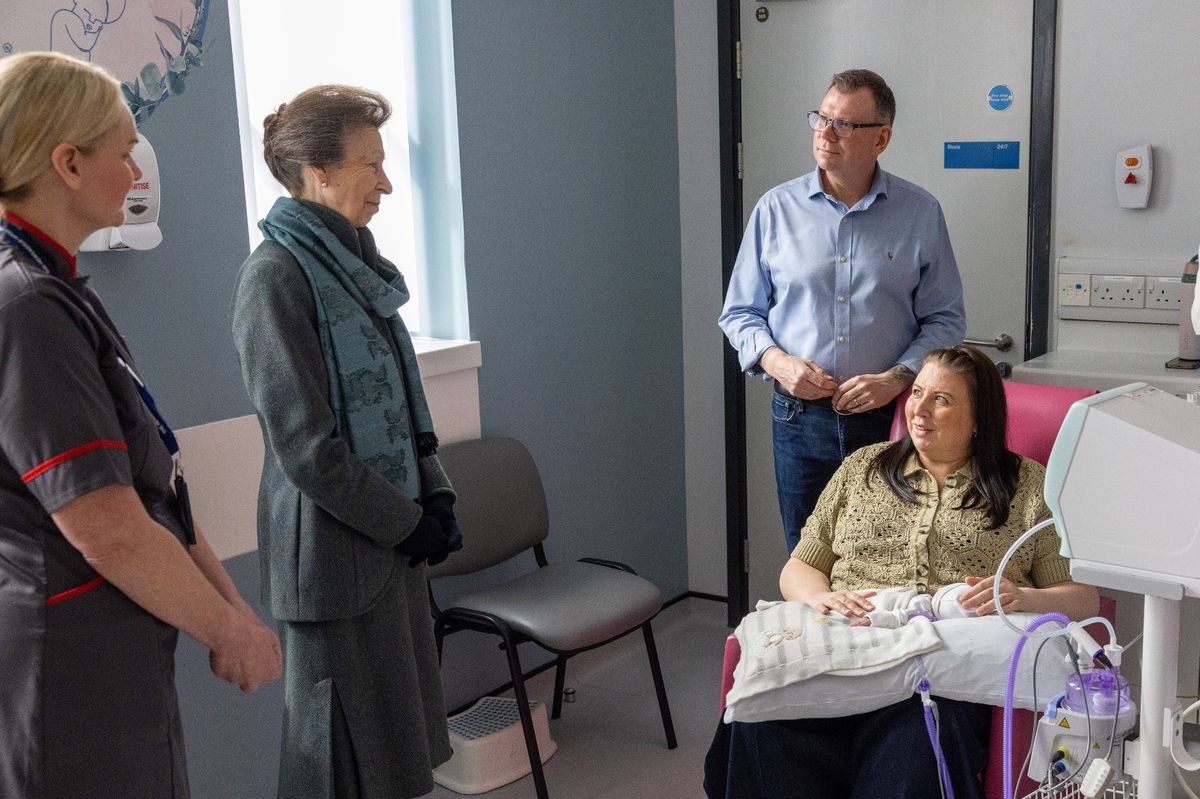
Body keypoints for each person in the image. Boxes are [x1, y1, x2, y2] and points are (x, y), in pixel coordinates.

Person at [0, 52, 281, 798]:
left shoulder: (58, 287)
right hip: (71, 663)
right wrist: (231, 632)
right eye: (123, 151)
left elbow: (155, 484)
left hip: (110, 645)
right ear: (66, 162)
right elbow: (107, 526)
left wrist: (230, 606)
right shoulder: (25, 308)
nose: (134, 173)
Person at [704, 345, 1099, 799]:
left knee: (914, 753)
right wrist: (819, 597)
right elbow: (800, 566)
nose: (919, 410)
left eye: (942, 400)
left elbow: (1082, 598)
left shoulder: (1028, 486)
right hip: (847, 649)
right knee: (765, 723)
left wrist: (1024, 598)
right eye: (917, 393)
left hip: (942, 674)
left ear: (978, 419)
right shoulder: (862, 468)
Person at [231, 84, 461, 799]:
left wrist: (438, 493)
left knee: (392, 752)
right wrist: (408, 522)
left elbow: (398, 396)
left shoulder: (357, 268)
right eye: (372, 165)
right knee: (336, 762)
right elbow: (308, 449)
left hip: (386, 545)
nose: (388, 183)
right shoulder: (273, 278)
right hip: (331, 559)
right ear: (319, 172)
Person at [719, 68, 967, 553]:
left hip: (891, 419)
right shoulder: (775, 209)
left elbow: (946, 319)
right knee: (808, 557)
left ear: (882, 138)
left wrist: (897, 377)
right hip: (798, 419)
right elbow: (739, 313)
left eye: (845, 124)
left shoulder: (919, 213)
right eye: (822, 118)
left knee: (891, 558)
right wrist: (778, 362)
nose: (826, 133)